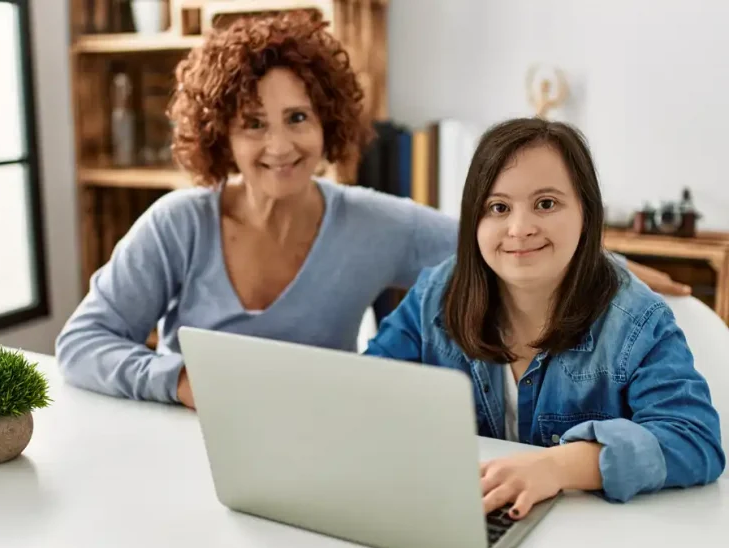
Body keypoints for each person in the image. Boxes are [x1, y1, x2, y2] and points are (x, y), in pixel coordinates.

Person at [55, 11, 690, 409]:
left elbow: (504, 238)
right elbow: (82, 343)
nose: (278, 146)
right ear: (221, 135)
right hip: (180, 446)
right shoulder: (178, 225)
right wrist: (180, 381)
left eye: (297, 118)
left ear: (327, 122)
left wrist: (628, 267)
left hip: (318, 446)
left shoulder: (372, 222)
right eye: (253, 124)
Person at [364, 117, 725, 519]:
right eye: (498, 207)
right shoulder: (437, 295)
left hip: (594, 536)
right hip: (467, 515)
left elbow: (695, 440)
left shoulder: (636, 319)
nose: (520, 229)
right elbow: (365, 391)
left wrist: (560, 466)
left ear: (586, 213)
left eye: (546, 204)